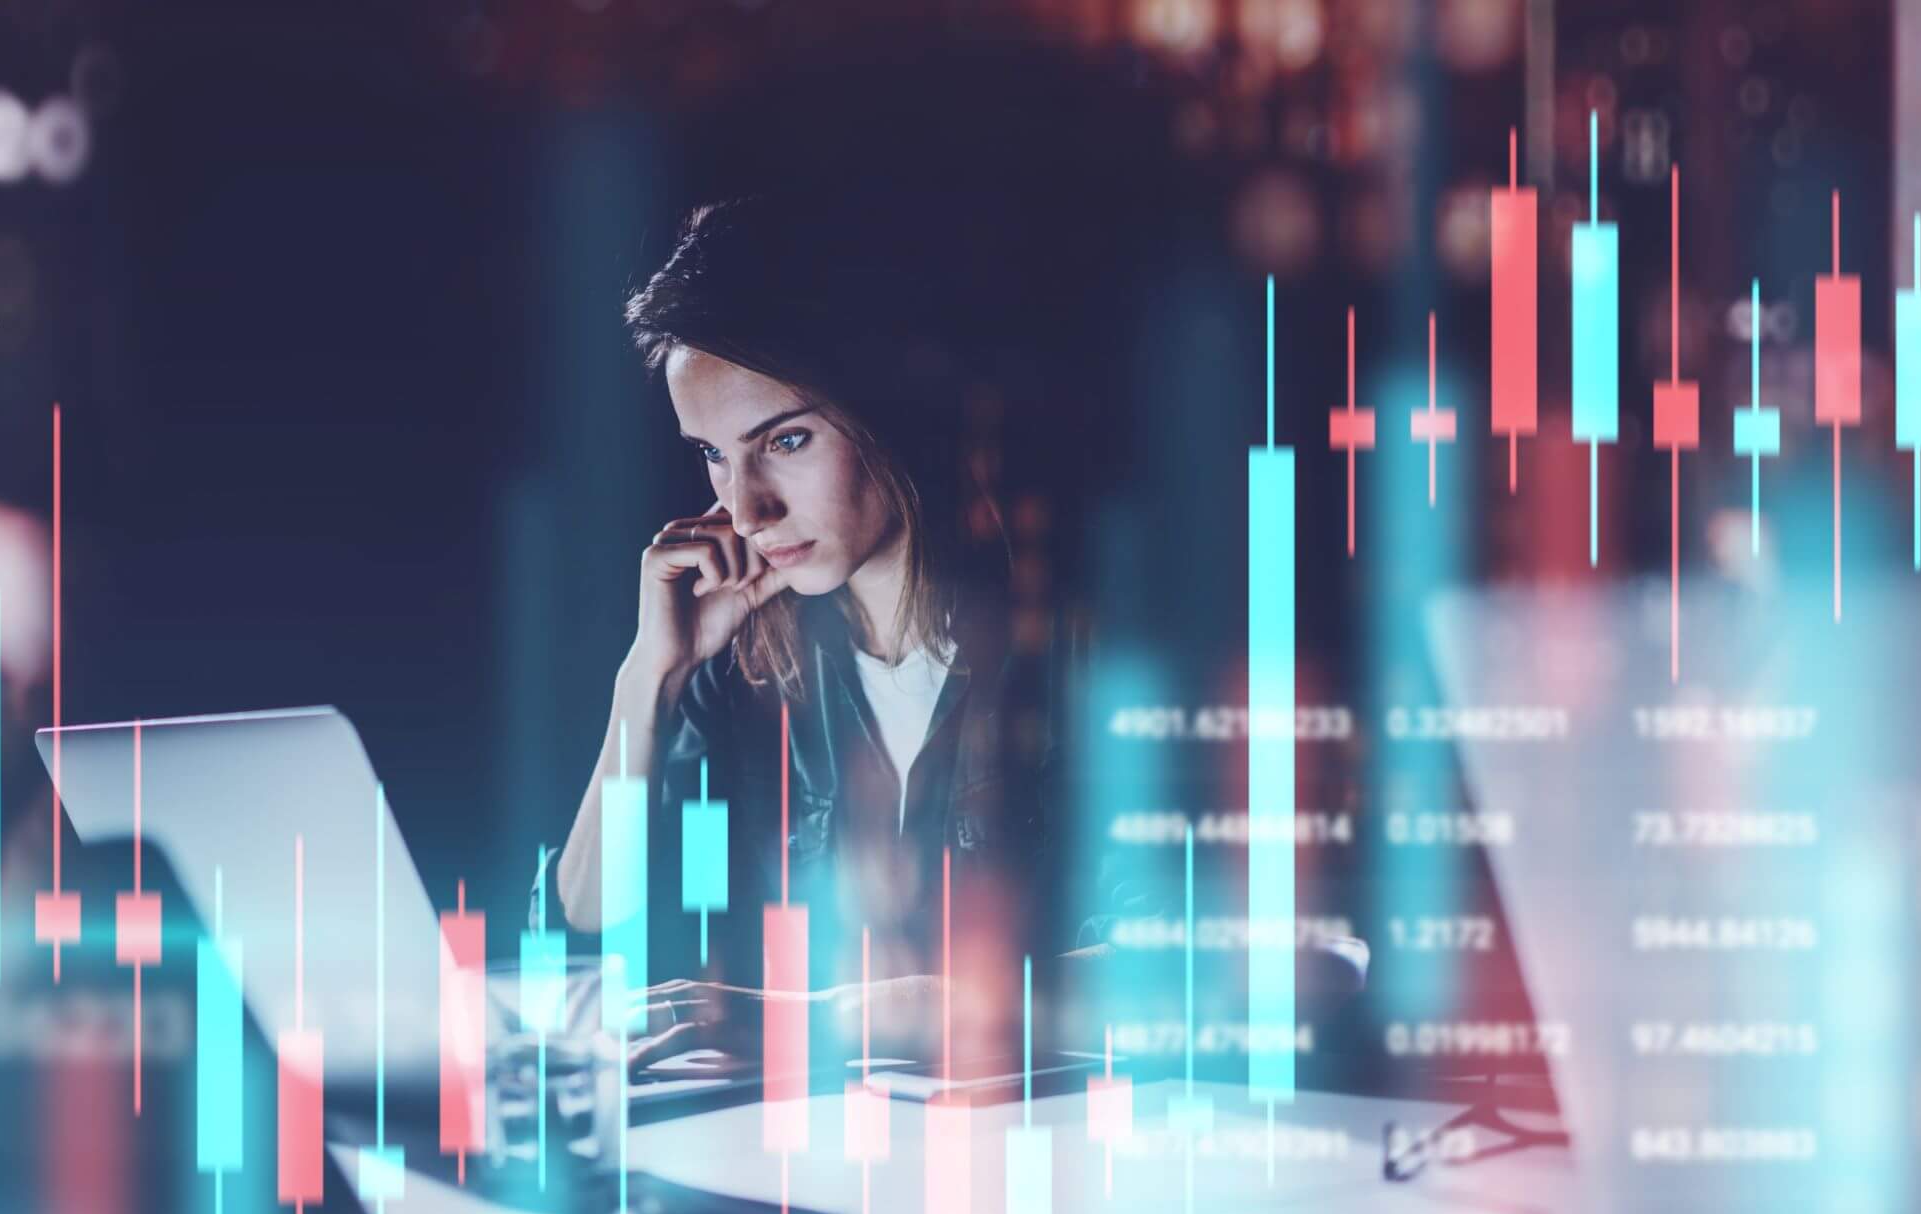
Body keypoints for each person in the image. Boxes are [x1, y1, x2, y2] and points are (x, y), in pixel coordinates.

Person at [552, 192, 1361, 1075]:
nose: (745, 508)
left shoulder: (1091, 645)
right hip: (836, 1164)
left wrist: (858, 1017)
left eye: (783, 441)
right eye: (712, 453)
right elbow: (596, 909)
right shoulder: (749, 653)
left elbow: (1292, 961)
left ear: (889, 412)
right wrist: (650, 678)